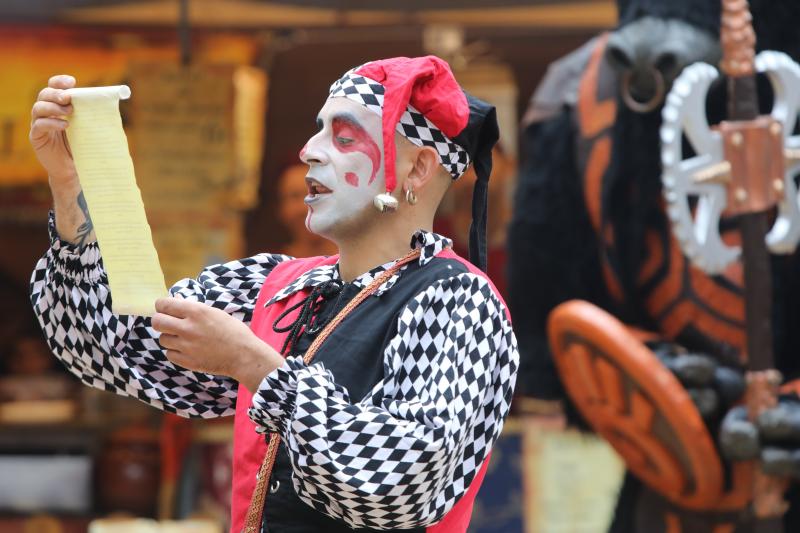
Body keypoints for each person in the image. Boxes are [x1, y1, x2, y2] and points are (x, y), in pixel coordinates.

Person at [28, 56, 518, 533]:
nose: (310, 150)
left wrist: (254, 366)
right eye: (318, 131)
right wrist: (70, 185)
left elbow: (402, 485)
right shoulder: (276, 286)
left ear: (418, 170)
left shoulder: (458, 300)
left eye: (343, 137)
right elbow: (107, 344)